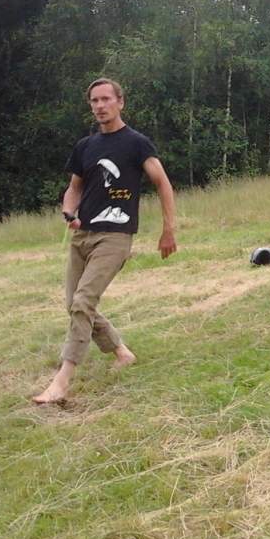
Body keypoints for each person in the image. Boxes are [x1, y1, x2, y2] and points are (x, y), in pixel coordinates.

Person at [32, 78, 178, 404]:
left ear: (120, 102)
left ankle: (62, 381)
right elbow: (74, 188)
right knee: (74, 304)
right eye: (94, 101)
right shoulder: (85, 146)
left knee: (83, 302)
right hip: (83, 234)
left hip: (115, 236)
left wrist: (169, 229)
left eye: (106, 99)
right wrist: (69, 212)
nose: (100, 106)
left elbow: (163, 183)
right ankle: (122, 352)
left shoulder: (137, 143)